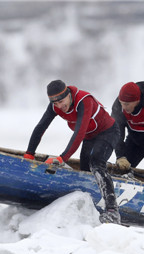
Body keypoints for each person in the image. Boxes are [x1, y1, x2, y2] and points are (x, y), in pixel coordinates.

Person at [24, 80, 121, 224]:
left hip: (108, 132)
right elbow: (41, 127)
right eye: (55, 104)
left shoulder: (84, 101)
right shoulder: (55, 106)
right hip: (90, 136)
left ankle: (113, 211)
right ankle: (90, 208)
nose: (59, 106)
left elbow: (79, 132)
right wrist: (29, 153)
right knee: (85, 170)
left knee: (96, 163)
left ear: (69, 94)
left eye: (62, 102)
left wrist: (63, 157)